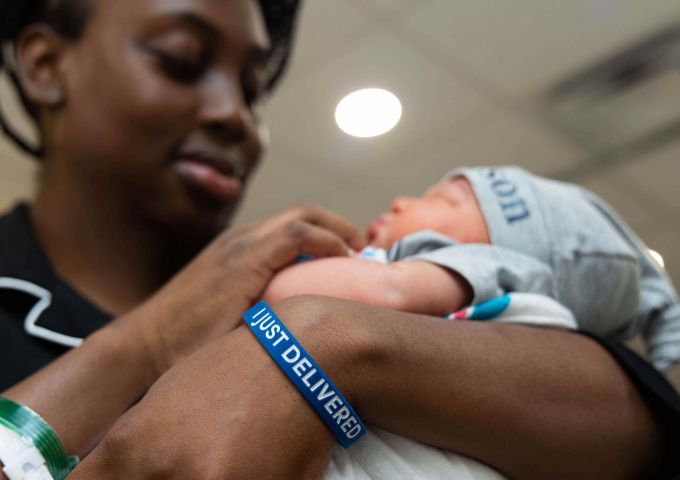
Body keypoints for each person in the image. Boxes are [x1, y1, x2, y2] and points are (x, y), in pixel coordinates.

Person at [0, 1, 678, 480]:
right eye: (181, 60)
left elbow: (638, 429)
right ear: (45, 66)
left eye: (256, 88)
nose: (235, 113)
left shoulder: (312, 282)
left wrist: (326, 342)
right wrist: (148, 340)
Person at [264, 166, 680, 370]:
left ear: (500, 250)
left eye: (445, 199)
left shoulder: (491, 268)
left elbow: (377, 294)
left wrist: (273, 265)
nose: (401, 202)